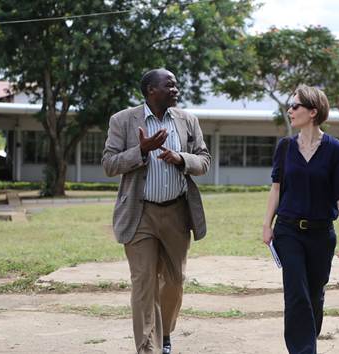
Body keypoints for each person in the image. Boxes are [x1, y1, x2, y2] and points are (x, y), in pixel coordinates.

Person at [102, 68, 211, 354]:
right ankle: (147, 347)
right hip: (140, 216)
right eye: (170, 85)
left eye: (175, 85)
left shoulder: (188, 120)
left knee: (174, 281)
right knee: (144, 283)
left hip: (177, 214)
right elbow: (109, 164)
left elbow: (204, 160)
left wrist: (180, 158)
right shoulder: (123, 121)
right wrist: (141, 151)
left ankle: (165, 334)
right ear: (151, 90)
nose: (176, 89)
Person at [262, 85, 339, 354]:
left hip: (321, 234)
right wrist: (267, 224)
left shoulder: (334, 150)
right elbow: (276, 188)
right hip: (288, 231)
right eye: (290, 106)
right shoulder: (285, 147)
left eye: (296, 106)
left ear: (313, 112)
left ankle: (306, 342)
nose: (290, 110)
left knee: (314, 295)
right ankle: (303, 350)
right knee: (296, 295)